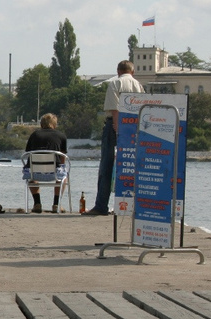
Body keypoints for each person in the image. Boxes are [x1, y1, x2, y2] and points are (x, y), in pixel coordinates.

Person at [83, 60, 144, 216]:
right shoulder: (138, 85)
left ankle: (101, 205)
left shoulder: (115, 84)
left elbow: (114, 108)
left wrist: (117, 128)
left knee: (107, 166)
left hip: (115, 127)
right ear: (133, 72)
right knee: (131, 166)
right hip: (135, 127)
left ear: (118, 71)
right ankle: (131, 206)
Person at [24, 113, 68, 213]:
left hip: (35, 173)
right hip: (54, 172)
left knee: (30, 171)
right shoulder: (61, 136)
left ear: (41, 124)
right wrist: (62, 169)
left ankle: (37, 203)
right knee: (63, 175)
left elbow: (28, 153)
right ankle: (56, 204)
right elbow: (62, 158)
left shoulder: (34, 135)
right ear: (54, 124)